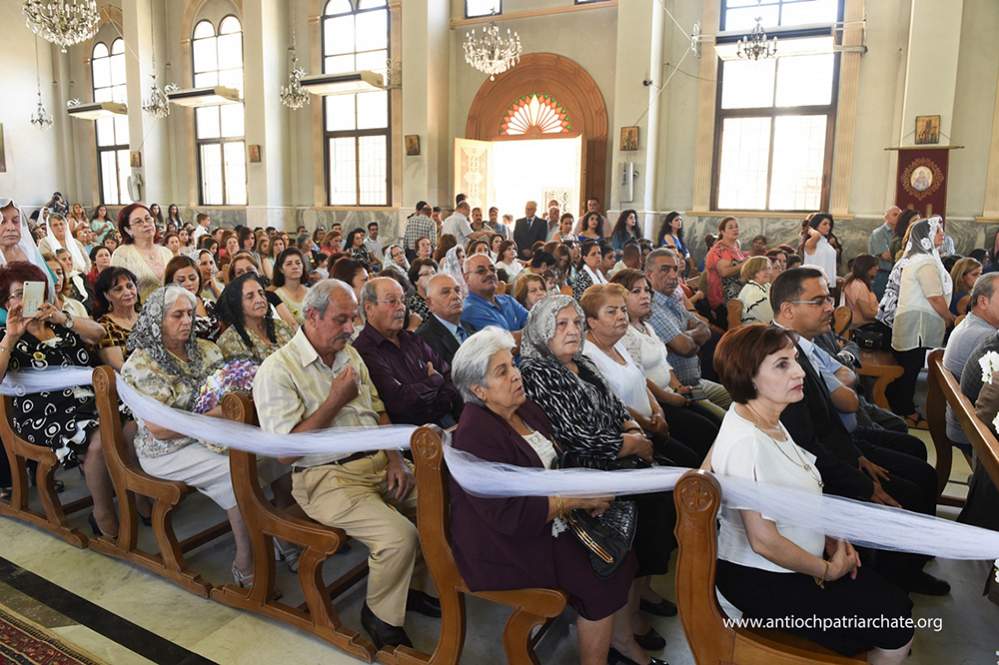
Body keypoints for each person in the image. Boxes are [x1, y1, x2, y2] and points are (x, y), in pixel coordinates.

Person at [704, 324, 914, 663]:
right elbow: (763, 541)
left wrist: (825, 534)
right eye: (782, 364)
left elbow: (792, 494)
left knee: (896, 603)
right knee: (895, 626)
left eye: (795, 360)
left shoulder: (765, 417)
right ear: (748, 377)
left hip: (788, 561)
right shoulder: (748, 442)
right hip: (763, 578)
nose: (799, 371)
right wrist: (826, 570)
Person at [448, 327, 653, 665]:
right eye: (502, 371)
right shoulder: (476, 435)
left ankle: (621, 641)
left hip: (548, 518)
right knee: (599, 573)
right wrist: (577, 500)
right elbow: (507, 515)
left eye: (513, 364)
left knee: (621, 549)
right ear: (478, 390)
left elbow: (557, 462)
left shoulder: (523, 408)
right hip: (505, 542)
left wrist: (584, 492)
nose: (516, 375)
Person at [253, 280, 439, 649]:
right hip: (326, 477)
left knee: (439, 505)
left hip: (377, 461)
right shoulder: (278, 370)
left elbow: (378, 410)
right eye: (341, 320)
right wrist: (335, 400)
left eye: (353, 319)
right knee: (398, 538)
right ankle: (379, 616)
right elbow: (285, 452)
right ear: (311, 316)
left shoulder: (348, 354)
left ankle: (410, 589)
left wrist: (394, 459)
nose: (350, 329)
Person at [772, 267, 948, 595]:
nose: (830, 307)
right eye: (819, 301)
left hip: (837, 444)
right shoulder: (777, 358)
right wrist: (862, 481)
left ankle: (913, 559)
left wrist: (857, 456)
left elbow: (829, 419)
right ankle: (898, 580)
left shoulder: (799, 344)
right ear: (788, 309)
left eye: (829, 298)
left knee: (921, 468)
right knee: (908, 491)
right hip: (812, 466)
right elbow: (804, 442)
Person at [518, 295, 674, 659]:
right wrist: (632, 444)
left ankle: (636, 600)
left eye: (576, 323)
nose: (573, 330)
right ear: (541, 331)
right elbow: (576, 438)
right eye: (561, 324)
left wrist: (633, 428)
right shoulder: (538, 372)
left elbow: (616, 406)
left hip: (617, 453)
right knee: (652, 504)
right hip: (585, 467)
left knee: (666, 492)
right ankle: (625, 624)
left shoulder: (583, 362)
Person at [121, 286, 257, 585]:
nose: (187, 321)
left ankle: (274, 535)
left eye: (190, 314)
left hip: (215, 434)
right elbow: (160, 430)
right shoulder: (140, 364)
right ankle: (246, 558)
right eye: (177, 315)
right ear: (157, 320)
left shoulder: (207, 349)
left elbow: (231, 386)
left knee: (266, 455)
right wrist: (216, 415)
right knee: (235, 471)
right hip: (167, 449)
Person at [0, 262, 115, 535]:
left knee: (130, 425)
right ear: (6, 303)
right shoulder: (7, 335)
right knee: (99, 438)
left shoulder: (60, 325)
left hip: (89, 401)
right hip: (44, 413)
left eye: (34, 290)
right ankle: (103, 514)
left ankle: (136, 499)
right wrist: (11, 337)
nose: (29, 299)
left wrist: (62, 318)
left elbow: (99, 334)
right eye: (19, 294)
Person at [581, 283, 707, 467]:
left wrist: (658, 411)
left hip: (654, 422)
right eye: (611, 312)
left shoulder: (617, 343)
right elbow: (613, 403)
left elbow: (642, 381)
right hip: (634, 436)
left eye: (623, 310)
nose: (621, 316)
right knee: (691, 460)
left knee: (704, 438)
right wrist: (649, 424)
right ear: (592, 321)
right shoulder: (588, 356)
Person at [612, 268, 722, 437]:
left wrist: (678, 387)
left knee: (719, 421)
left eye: (647, 290)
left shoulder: (646, 326)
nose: (645, 296)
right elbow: (639, 377)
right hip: (658, 403)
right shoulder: (623, 334)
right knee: (710, 430)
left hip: (674, 392)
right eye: (636, 291)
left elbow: (664, 363)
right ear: (620, 298)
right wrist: (672, 398)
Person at [354, 278, 462, 427]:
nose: (401, 307)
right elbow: (400, 403)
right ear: (369, 308)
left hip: (445, 421)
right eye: (392, 301)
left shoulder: (412, 339)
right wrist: (434, 381)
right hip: (409, 434)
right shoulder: (364, 350)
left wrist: (435, 400)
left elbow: (449, 377)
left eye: (403, 300)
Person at [645, 249, 732, 415]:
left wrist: (684, 337)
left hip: (697, 382)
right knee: (724, 419)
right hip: (680, 389)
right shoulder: (652, 307)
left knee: (742, 401)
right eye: (665, 269)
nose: (673, 275)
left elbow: (704, 330)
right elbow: (685, 348)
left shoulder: (672, 299)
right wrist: (687, 340)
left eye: (675, 269)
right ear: (649, 275)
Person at [890, 217, 954, 427]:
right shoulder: (925, 262)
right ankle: (905, 410)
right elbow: (934, 296)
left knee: (910, 366)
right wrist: (950, 317)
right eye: (938, 231)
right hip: (916, 324)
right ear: (926, 236)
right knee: (910, 367)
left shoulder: (918, 258)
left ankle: (901, 407)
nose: (942, 235)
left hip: (912, 321)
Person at [942, 273, 999, 448]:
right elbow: (992, 401)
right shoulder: (986, 337)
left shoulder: (971, 323)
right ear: (983, 301)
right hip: (973, 432)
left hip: (963, 420)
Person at [215, 272, 295, 361]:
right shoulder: (230, 340)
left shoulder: (281, 326)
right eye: (250, 297)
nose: (259, 300)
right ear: (237, 304)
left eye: (261, 293)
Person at [111, 203, 175, 301]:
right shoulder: (122, 254)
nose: (145, 224)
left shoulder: (167, 252)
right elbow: (116, 290)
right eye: (138, 222)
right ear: (128, 230)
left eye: (148, 219)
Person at [461, 254, 528, 332]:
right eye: (481, 271)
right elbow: (503, 338)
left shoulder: (507, 299)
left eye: (492, 269)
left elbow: (533, 321)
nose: (490, 273)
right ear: (466, 278)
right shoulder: (470, 309)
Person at [416, 273, 472, 364]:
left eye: (457, 290)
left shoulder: (469, 327)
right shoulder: (423, 340)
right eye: (446, 292)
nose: (455, 296)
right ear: (430, 303)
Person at [93, 267, 141, 370]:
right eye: (118, 289)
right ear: (107, 296)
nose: (127, 292)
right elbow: (119, 367)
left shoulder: (147, 316)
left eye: (130, 286)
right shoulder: (105, 326)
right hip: (131, 377)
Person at [165, 255, 220, 341]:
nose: (189, 283)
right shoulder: (166, 310)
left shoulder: (210, 304)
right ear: (170, 283)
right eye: (181, 280)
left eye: (192, 278)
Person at [703, 217, 746, 322]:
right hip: (722, 298)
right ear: (722, 232)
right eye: (730, 227)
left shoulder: (735, 245)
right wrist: (744, 264)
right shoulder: (719, 249)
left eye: (736, 227)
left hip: (738, 292)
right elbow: (724, 272)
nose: (735, 229)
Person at [272, 248, 311, 324]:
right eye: (289, 264)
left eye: (298, 263)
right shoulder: (277, 296)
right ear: (281, 269)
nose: (295, 267)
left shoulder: (312, 293)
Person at [869, 206, 900, 298]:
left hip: (896, 273)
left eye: (900, 215)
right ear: (886, 217)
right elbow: (886, 256)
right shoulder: (879, 233)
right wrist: (903, 256)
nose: (898, 217)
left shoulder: (899, 233)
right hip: (883, 274)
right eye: (895, 215)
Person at [842, 255, 880, 329]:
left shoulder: (854, 281)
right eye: (874, 266)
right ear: (867, 268)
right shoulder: (859, 285)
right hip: (865, 326)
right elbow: (867, 313)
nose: (877, 268)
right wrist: (885, 315)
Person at [800, 213, 838, 286]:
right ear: (816, 225)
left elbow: (827, 265)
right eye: (824, 224)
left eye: (829, 224)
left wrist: (834, 277)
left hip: (827, 284)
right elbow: (816, 236)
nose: (828, 227)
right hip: (813, 284)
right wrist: (810, 229)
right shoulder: (811, 242)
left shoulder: (826, 243)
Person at [736, 256, 773, 325]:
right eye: (764, 269)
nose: (768, 272)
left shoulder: (766, 285)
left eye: (769, 268)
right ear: (753, 271)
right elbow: (770, 318)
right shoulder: (753, 292)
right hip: (756, 330)